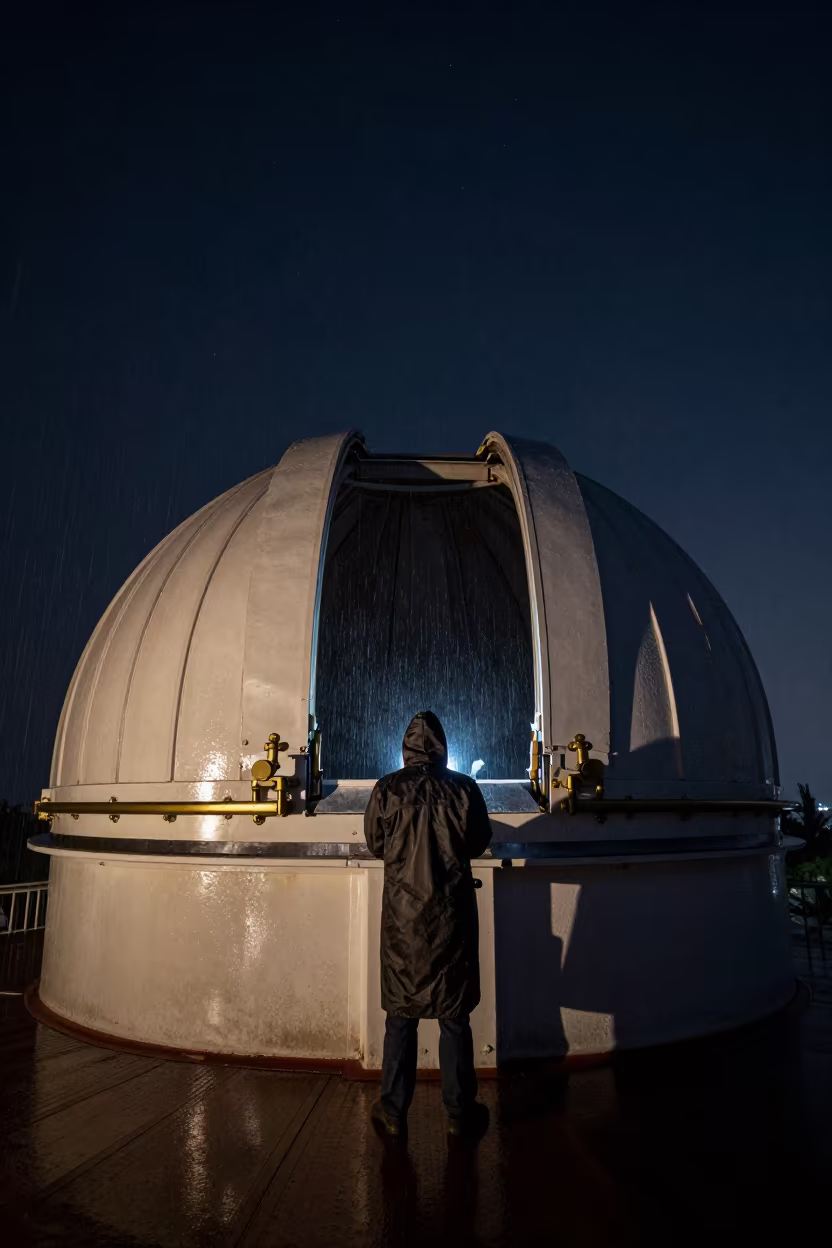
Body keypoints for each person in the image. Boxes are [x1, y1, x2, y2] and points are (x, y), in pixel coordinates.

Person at [365, 710, 492, 1138]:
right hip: (450, 918)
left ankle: (393, 1112)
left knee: (400, 1017)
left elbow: (376, 845)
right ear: (442, 746)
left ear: (406, 746)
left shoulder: (386, 789)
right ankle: (459, 1113)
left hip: (403, 921)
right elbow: (477, 841)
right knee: (454, 1018)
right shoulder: (464, 789)